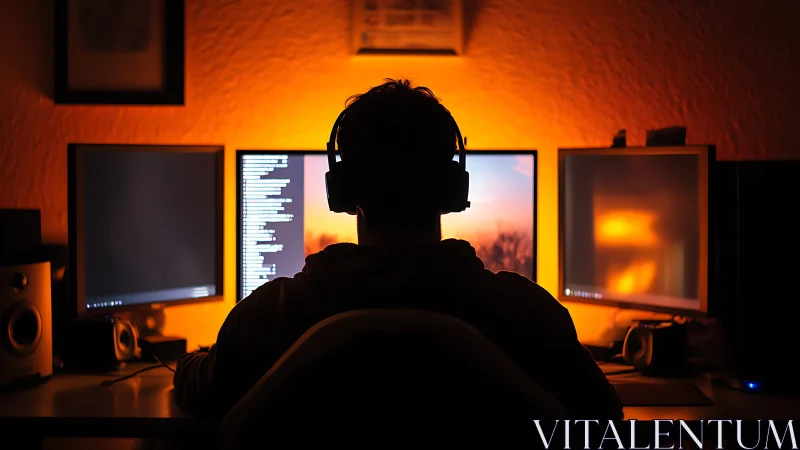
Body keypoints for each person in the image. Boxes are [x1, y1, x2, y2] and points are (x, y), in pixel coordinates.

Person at [173, 78, 622, 420]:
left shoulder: (274, 315)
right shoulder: (525, 313)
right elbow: (604, 416)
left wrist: (192, 360)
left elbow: (200, 394)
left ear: (343, 191)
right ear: (452, 188)